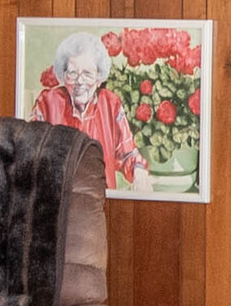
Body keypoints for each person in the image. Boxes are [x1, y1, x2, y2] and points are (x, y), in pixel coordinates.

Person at [34, 29, 148, 192]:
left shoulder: (110, 104)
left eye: (87, 74)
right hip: (56, 201)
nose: (80, 81)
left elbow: (127, 154)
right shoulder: (47, 103)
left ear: (99, 77)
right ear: (63, 75)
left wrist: (138, 169)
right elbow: (30, 154)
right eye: (73, 73)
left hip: (100, 202)